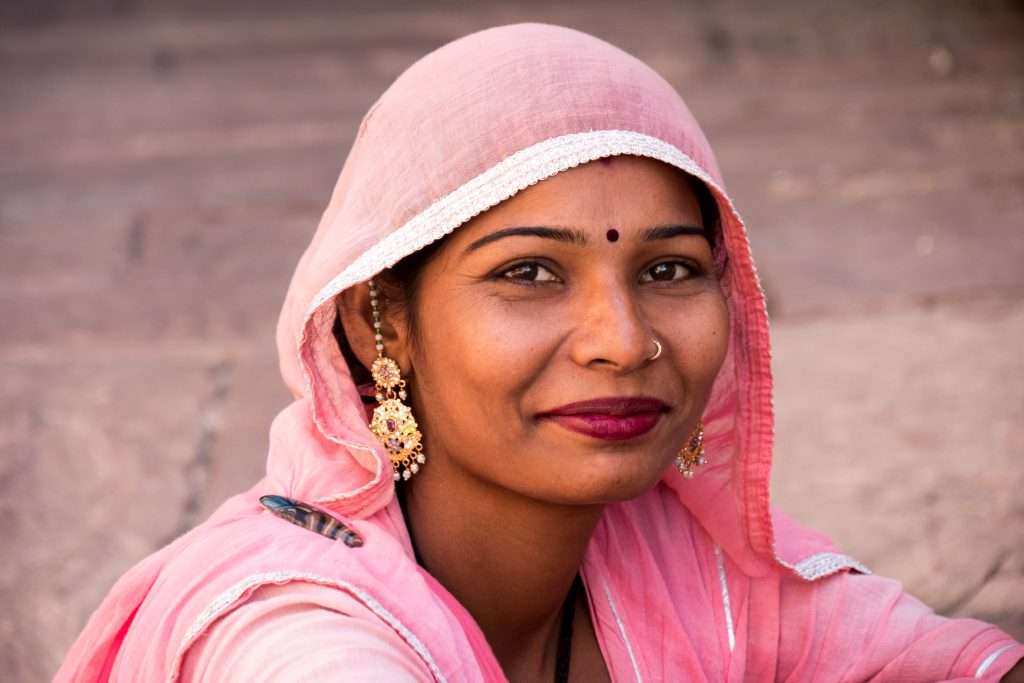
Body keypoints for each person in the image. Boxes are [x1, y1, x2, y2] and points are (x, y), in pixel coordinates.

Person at [56, 23, 1022, 683]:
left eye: (672, 270)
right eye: (528, 273)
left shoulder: (690, 564)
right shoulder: (282, 625)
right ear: (376, 321)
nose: (624, 340)